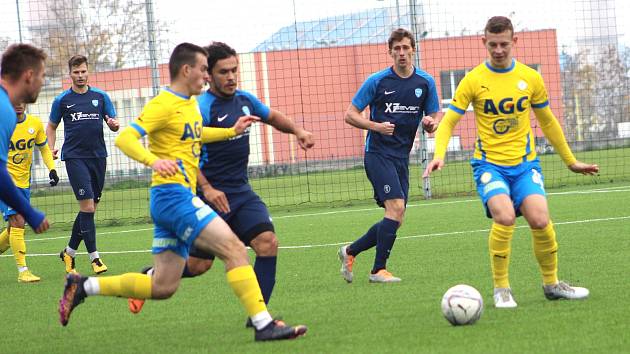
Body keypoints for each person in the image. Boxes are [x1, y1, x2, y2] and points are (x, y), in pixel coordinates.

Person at [58, 43, 307, 341]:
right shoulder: (163, 103)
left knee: (163, 286)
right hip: (173, 197)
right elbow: (125, 138)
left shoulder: (190, 102)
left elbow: (197, 133)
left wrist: (230, 131)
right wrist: (153, 160)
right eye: (204, 70)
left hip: (172, 200)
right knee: (235, 249)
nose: (207, 76)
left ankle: (83, 286)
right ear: (187, 70)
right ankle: (263, 324)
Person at [127, 42, 315, 324]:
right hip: (207, 197)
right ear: (209, 75)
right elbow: (188, 149)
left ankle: (259, 317)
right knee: (199, 265)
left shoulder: (245, 99)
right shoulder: (201, 106)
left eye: (234, 70)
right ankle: (150, 277)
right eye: (223, 72)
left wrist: (298, 130)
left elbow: (272, 116)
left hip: (241, 192)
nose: (231, 77)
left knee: (267, 243)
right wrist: (207, 188)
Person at [423, 16, 599, 308]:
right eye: (493, 44)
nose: (499, 50)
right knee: (504, 216)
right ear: (484, 43)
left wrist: (570, 161)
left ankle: (552, 284)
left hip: (525, 164)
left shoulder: (530, 78)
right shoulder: (473, 80)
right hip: (489, 165)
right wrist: (438, 154)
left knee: (540, 219)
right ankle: (501, 289)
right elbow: (450, 121)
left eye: (504, 44)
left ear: (514, 41)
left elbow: (548, 121)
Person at [338, 28, 439, 283]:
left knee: (397, 216)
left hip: (401, 157)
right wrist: (376, 126)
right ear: (390, 52)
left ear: (413, 50)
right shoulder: (377, 81)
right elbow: (350, 114)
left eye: (406, 48)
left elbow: (434, 115)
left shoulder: (425, 82)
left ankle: (350, 251)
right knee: (395, 208)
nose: (402, 53)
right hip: (378, 153)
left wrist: (430, 123)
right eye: (397, 49)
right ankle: (378, 271)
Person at [47, 55, 119, 275]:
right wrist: (51, 149)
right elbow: (51, 127)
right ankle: (95, 258)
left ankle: (68, 252)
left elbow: (114, 125)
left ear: (89, 72)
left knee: (90, 209)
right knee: (87, 207)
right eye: (76, 72)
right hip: (75, 158)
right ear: (70, 74)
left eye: (83, 72)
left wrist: (113, 124)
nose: (80, 76)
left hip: (98, 157)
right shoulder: (62, 100)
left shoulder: (101, 97)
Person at [0, 103, 58, 282]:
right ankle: (23, 271)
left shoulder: (34, 124)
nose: (18, 104)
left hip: (24, 183)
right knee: (18, 221)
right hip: (5, 183)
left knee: (12, 229)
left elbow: (45, 149)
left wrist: (52, 169)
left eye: (21, 101)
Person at [0, 43, 49, 234]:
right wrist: (30, 212)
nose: (43, 82)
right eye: (42, 76)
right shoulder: (4, 110)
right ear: (29, 75)